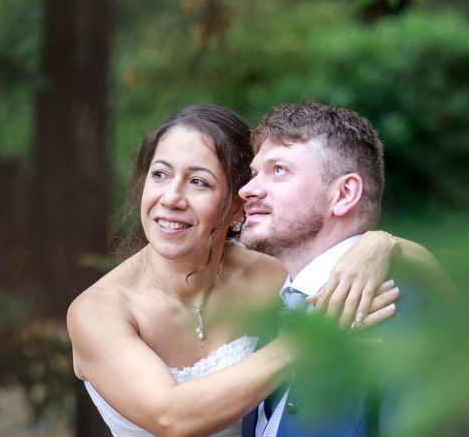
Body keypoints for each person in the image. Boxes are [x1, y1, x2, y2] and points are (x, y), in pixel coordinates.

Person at [68, 104, 441, 436]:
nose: (171, 198)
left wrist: (378, 243)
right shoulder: (99, 310)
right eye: (160, 175)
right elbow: (170, 419)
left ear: (237, 208)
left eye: (199, 182)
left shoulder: (271, 273)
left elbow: (435, 285)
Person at [239, 100, 468, 437]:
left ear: (344, 194)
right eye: (255, 174)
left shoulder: (412, 317)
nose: (247, 190)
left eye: (278, 171)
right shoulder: (277, 309)